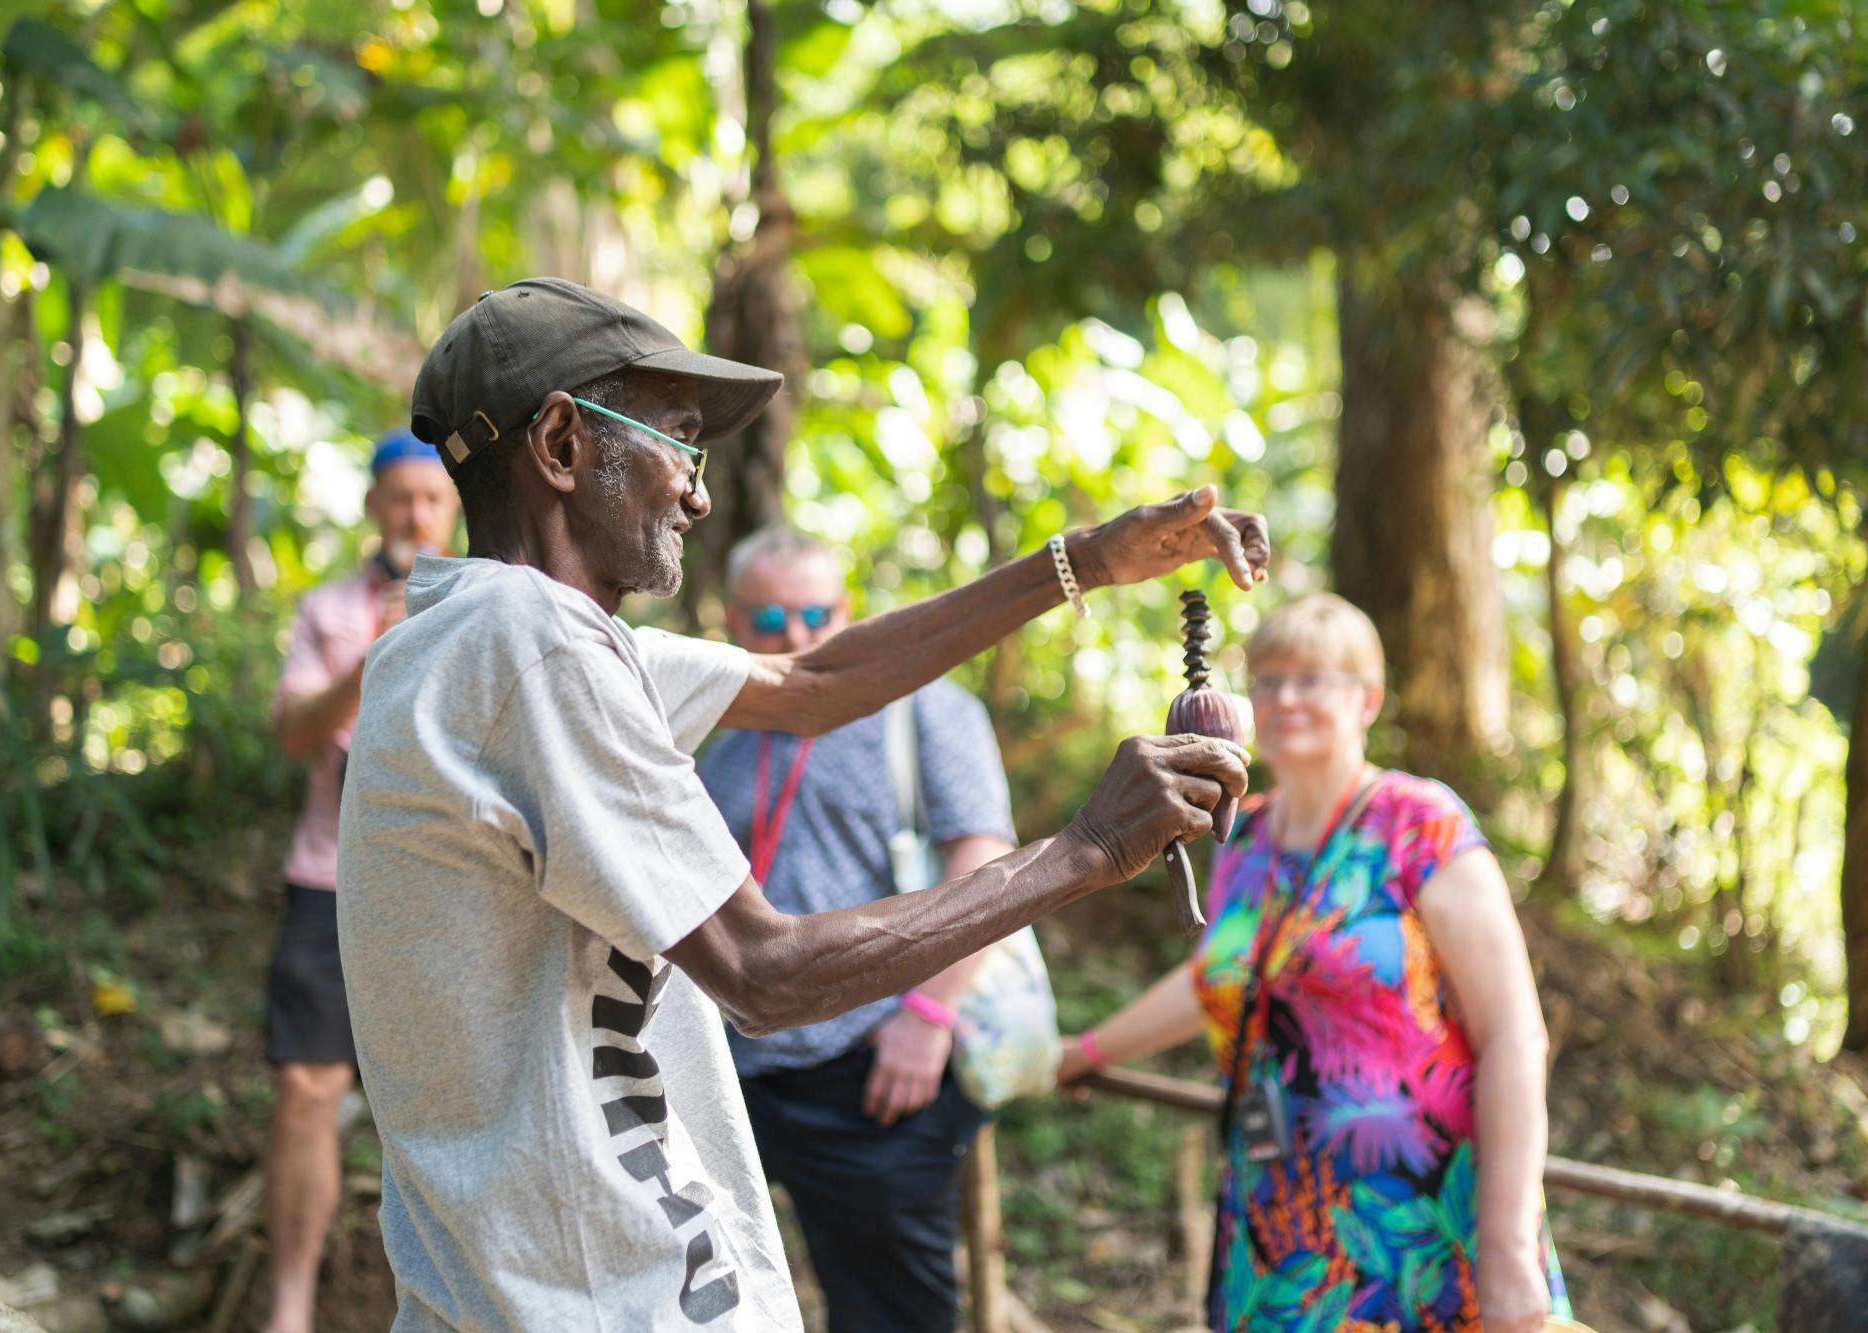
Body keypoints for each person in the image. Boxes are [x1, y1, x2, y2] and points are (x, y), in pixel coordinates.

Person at [334, 276, 1268, 1332]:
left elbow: (820, 687)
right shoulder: (532, 648)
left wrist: (1086, 562)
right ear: (558, 443)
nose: (694, 493)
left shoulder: (467, 642)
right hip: (597, 1293)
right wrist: (1088, 847)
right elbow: (763, 972)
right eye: (677, 442)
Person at [1056, 593, 1571, 1333]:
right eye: (1267, 680)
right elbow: (1221, 980)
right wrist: (1087, 1050)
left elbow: (1515, 1035)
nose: (1284, 697)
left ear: (1367, 698)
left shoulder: (1420, 822)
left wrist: (1508, 1244)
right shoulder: (1246, 835)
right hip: (1280, 1218)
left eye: (1311, 678)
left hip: (1415, 1218)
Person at [696, 525, 1016, 1333]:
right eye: (770, 621)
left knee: (889, 1313)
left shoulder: (926, 709)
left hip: (876, 1067)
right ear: (736, 620)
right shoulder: (721, 728)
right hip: (735, 1066)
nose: (796, 636)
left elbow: (985, 864)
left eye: (815, 613)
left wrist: (928, 1018)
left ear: (848, 610)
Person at [262, 430, 459, 1333]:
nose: (414, 513)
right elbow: (294, 734)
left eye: (430, 496)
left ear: (451, 503)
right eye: (398, 497)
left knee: (452, 1096)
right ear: (374, 504)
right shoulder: (330, 609)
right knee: (306, 1088)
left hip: (446, 888)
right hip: (329, 881)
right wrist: (370, 657)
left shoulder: (488, 598)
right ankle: (292, 1308)